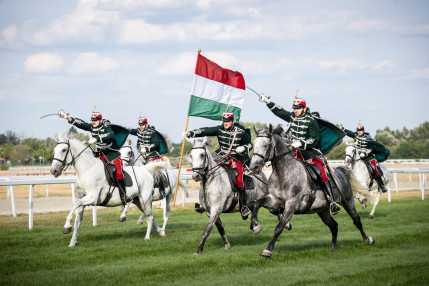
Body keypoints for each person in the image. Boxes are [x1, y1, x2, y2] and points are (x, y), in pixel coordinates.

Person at [259, 95, 341, 214]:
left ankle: (332, 200)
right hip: (293, 152)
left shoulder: (311, 121)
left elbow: (314, 139)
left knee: (321, 171)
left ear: (304, 108)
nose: (295, 110)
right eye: (294, 108)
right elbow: (280, 112)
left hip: (309, 153)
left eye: (298, 108)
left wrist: (302, 143)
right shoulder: (292, 117)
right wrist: (268, 102)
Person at [186, 112, 252, 219]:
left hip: (235, 159)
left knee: (239, 181)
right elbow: (206, 130)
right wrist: (193, 132)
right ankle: (204, 203)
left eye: (228, 121)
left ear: (232, 121)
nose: (226, 123)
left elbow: (250, 144)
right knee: (204, 173)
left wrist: (244, 148)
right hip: (220, 157)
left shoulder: (240, 132)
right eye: (224, 121)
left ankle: (243, 206)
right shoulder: (219, 129)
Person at [58, 110, 128, 204]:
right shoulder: (92, 126)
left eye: (95, 120)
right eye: (92, 120)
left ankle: (124, 195)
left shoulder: (106, 126)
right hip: (100, 155)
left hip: (112, 154)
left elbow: (110, 135)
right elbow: (81, 125)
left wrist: (97, 138)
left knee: (119, 173)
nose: (93, 122)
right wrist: (67, 118)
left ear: (99, 120)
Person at [129, 116, 170, 198]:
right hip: (142, 156)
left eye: (143, 124)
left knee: (156, 173)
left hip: (152, 155)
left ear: (146, 124)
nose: (141, 126)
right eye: (140, 124)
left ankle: (162, 188)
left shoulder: (152, 132)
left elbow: (156, 143)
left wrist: (147, 148)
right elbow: (129, 131)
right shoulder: (138, 131)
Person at [344, 123, 389, 192]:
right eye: (358, 130)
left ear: (363, 130)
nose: (359, 131)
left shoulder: (369, 138)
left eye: (361, 130)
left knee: (374, 167)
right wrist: (343, 129)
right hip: (358, 157)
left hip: (368, 157)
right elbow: (350, 133)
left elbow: (372, 148)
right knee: (348, 164)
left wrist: (366, 152)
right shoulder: (356, 136)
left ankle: (381, 185)